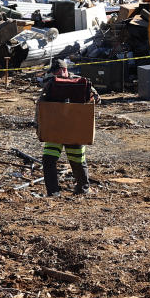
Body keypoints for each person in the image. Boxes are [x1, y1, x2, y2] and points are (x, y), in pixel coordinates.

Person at [39, 58, 96, 196]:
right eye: (53, 74)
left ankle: (83, 189)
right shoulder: (51, 83)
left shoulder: (81, 81)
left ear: (65, 70)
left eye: (57, 73)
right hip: (56, 128)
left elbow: (96, 99)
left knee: (77, 160)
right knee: (48, 159)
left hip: (73, 128)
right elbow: (42, 104)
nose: (55, 76)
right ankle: (53, 192)